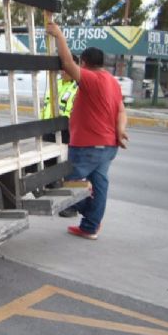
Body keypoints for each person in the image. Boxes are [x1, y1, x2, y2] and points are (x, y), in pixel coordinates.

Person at [47, 21, 129, 240]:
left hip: (87, 146)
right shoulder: (112, 82)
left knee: (65, 185)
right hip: (108, 145)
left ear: (84, 62)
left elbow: (66, 62)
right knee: (100, 184)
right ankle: (90, 227)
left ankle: (89, 213)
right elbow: (122, 111)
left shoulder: (91, 79)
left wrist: (58, 35)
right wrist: (120, 131)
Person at [41, 69, 78, 144]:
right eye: (61, 69)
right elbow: (46, 104)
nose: (62, 72)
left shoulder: (78, 86)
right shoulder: (56, 83)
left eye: (65, 69)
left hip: (65, 130)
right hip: (47, 128)